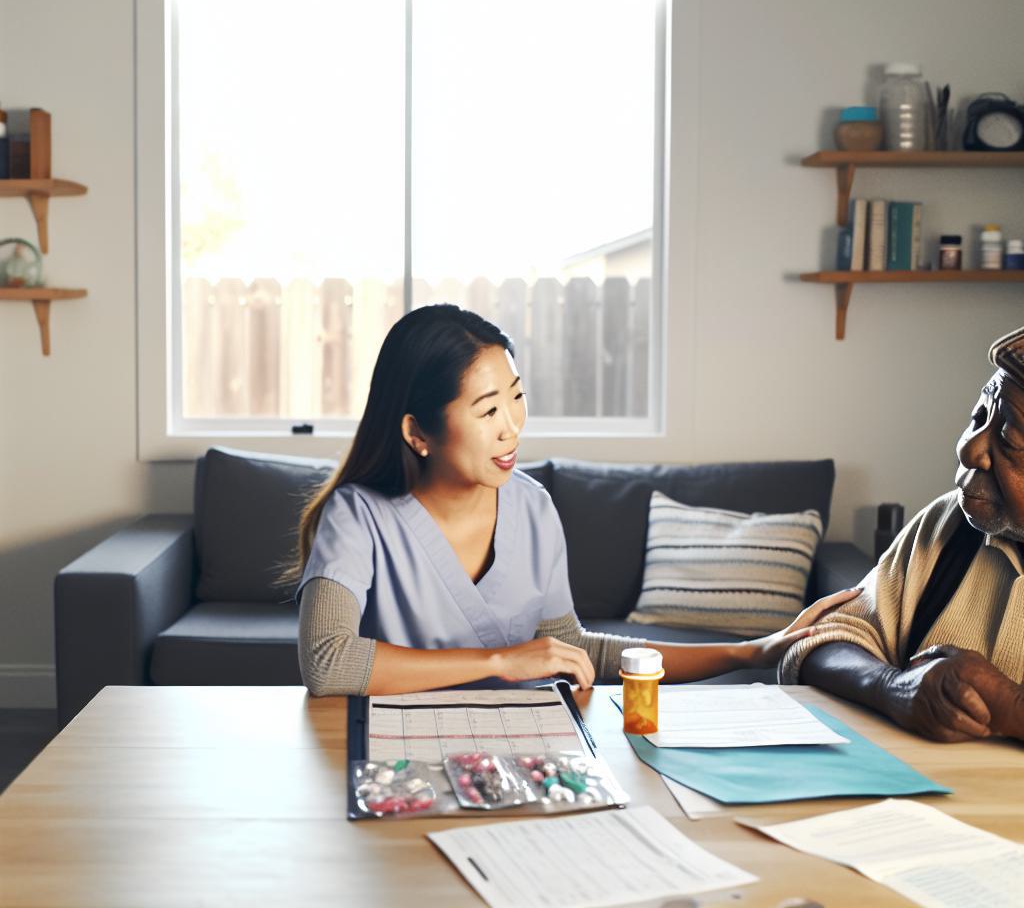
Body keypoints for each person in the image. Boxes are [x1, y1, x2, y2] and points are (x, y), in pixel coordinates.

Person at [285, 304, 858, 696]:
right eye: (487, 411)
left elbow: (573, 652)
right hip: (401, 757)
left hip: (525, 753)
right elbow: (328, 661)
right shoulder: (357, 516)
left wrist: (749, 653)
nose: (511, 428)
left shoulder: (531, 508)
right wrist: (504, 661)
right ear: (418, 433)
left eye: (517, 399)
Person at [781, 325, 1024, 742]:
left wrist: (1010, 707)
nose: (970, 450)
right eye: (979, 418)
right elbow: (820, 640)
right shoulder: (948, 526)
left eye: (1008, 438)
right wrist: (891, 688)